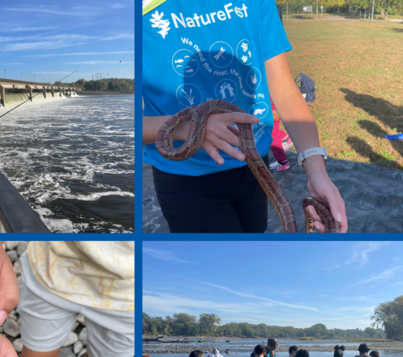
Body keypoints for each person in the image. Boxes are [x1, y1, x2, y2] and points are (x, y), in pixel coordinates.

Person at [142, 0, 348, 233]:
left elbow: (283, 87)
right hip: (186, 179)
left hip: (254, 169)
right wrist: (187, 129)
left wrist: (316, 170)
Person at [269, 98, 292, 171]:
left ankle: (283, 162)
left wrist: (273, 108)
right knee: (270, 130)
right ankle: (285, 138)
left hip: (271, 105)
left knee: (272, 134)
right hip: (264, 103)